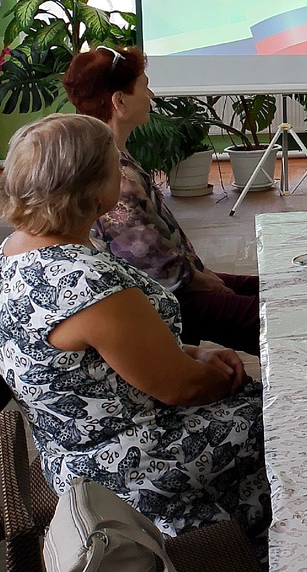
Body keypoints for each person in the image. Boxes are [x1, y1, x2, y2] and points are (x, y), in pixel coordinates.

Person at [0, 114, 270, 539]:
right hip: (127, 464)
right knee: (285, 415)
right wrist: (218, 374)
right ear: (92, 187)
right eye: (114, 164)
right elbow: (182, 388)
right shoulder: (83, 283)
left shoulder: (17, 249)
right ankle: (267, 541)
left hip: (76, 449)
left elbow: (108, 359)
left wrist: (190, 352)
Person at [63, 46, 260, 354]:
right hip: (170, 299)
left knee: (277, 287)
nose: (151, 94)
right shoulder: (115, 176)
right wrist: (207, 281)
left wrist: (204, 275)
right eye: (144, 86)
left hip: (180, 282)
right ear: (119, 102)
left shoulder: (111, 158)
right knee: (277, 319)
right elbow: (157, 267)